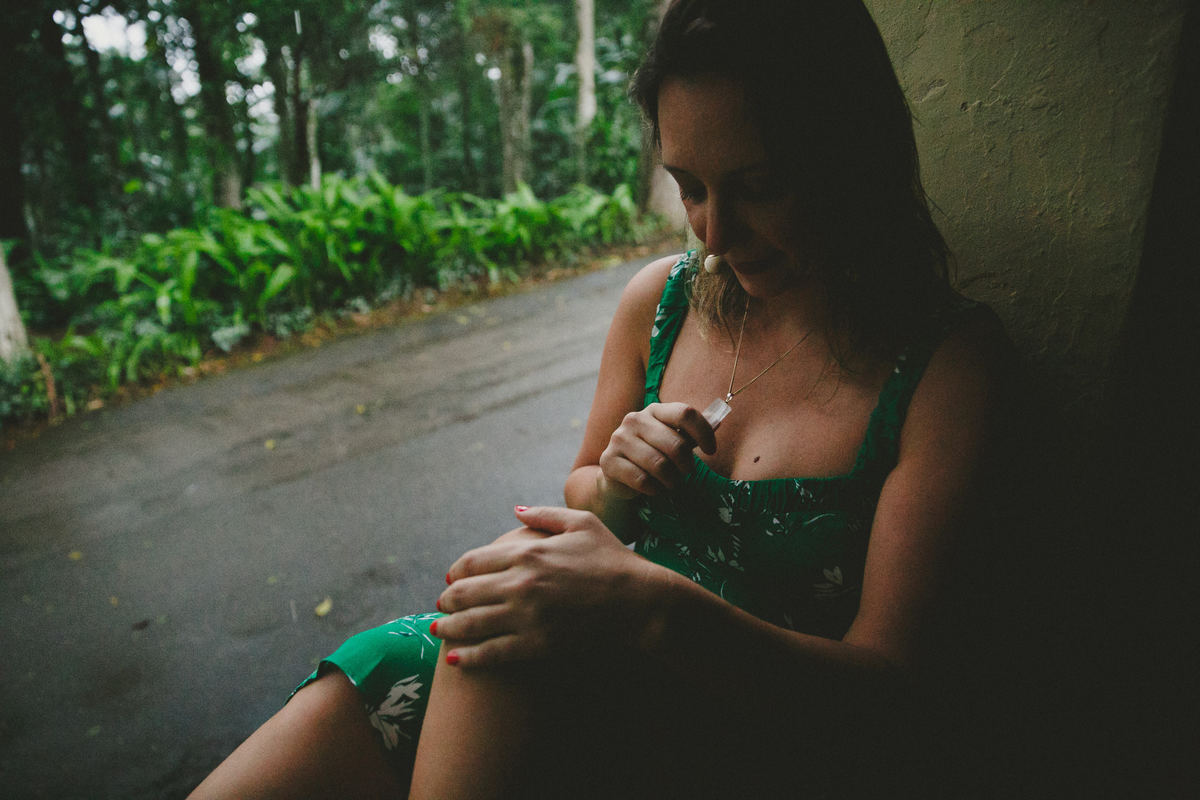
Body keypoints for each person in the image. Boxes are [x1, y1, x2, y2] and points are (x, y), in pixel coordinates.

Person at [191, 1, 1007, 797]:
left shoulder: (943, 368)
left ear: (850, 157)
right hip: (573, 661)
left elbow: (891, 694)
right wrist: (617, 483)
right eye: (689, 186)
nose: (715, 232)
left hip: (735, 728)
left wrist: (647, 606)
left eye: (761, 185)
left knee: (505, 650)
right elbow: (584, 488)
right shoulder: (662, 303)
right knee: (388, 683)